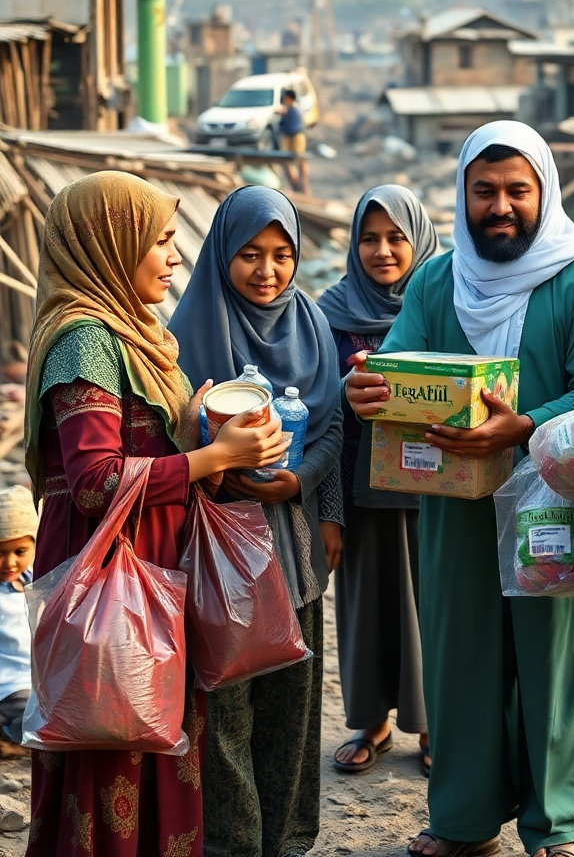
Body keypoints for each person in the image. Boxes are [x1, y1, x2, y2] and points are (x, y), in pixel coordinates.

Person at [346, 121, 574, 857]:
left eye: (517, 191)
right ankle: (462, 820)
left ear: (544, 193)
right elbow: (396, 366)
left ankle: (556, 824)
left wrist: (522, 425)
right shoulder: (437, 279)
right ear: (462, 195)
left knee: (551, 662)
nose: (500, 206)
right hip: (453, 507)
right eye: (484, 190)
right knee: (460, 658)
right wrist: (366, 386)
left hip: (548, 498)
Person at [24, 172, 285, 857]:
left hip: (153, 569)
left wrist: (204, 429)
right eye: (161, 240)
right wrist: (209, 458)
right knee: (110, 736)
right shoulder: (85, 340)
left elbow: (145, 444)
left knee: (158, 738)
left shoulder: (136, 334)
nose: (173, 256)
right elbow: (92, 482)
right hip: (108, 577)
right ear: (110, 245)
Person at [168, 184, 344, 857]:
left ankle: (288, 838)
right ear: (220, 255)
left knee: (292, 707)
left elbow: (331, 429)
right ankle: (234, 844)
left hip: (294, 548)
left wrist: (302, 483)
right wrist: (215, 464)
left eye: (281, 254)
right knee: (227, 711)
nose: (267, 271)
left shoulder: (313, 324)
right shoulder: (188, 331)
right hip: (218, 555)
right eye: (249, 254)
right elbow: (172, 439)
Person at [317, 185, 438, 776]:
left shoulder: (444, 304)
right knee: (366, 605)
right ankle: (373, 721)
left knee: (434, 605)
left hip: (435, 488)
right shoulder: (329, 314)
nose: (383, 251)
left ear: (421, 239)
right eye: (370, 238)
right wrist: (329, 511)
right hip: (360, 490)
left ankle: (435, 722)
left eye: (396, 237)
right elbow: (321, 414)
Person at [0, 485, 38, 746]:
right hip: (9, 685)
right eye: (0, 553)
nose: (10, 563)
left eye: (20, 552)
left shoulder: (37, 583)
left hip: (36, 683)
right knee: (31, 720)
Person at [278, 89, 309, 194]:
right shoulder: (290, 110)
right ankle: (296, 185)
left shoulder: (294, 111)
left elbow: (291, 128)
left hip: (296, 137)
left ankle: (302, 185)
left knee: (299, 160)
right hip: (291, 137)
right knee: (289, 163)